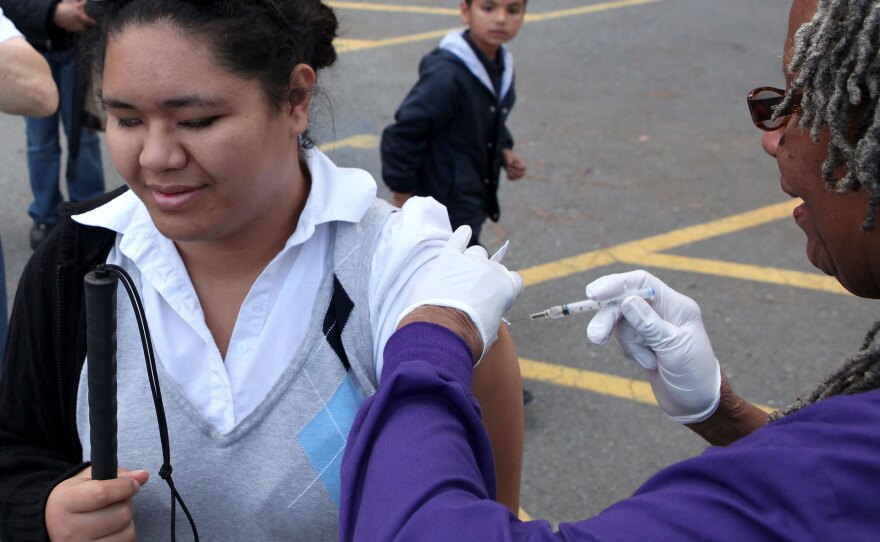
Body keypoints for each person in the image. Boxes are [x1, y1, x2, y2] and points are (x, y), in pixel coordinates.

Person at [339, 0, 880, 539]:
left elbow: (417, 529)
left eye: (806, 98)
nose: (772, 135)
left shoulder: (847, 464)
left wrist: (431, 334)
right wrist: (727, 415)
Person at [0, 0, 525, 540]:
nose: (155, 156)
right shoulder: (75, 262)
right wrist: (44, 512)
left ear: (296, 97)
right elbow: (17, 452)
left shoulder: (411, 282)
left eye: (197, 120)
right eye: (126, 118)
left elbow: (484, 519)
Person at [380, 0, 528, 248]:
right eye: (488, 8)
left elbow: (485, 117)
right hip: (440, 206)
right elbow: (404, 132)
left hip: (470, 199)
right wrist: (403, 197)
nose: (501, 18)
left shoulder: (501, 63)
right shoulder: (446, 75)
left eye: (512, 10)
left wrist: (504, 149)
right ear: (464, 11)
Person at [1, 0, 106, 249]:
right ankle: (45, 217)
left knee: (83, 136)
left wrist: (87, 11)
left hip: (79, 48)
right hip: (31, 50)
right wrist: (53, 13)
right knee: (40, 143)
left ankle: (90, 209)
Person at [0, 5, 59, 365]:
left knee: (82, 145)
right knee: (41, 146)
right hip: (44, 37)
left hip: (65, 47)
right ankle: (45, 215)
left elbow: (40, 92)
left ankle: (82, 224)